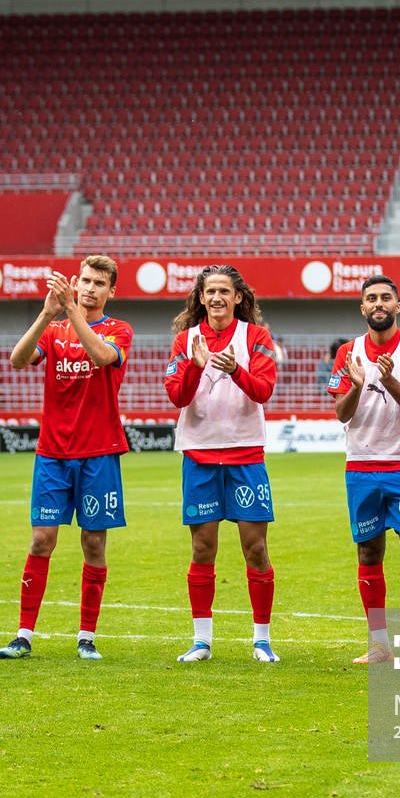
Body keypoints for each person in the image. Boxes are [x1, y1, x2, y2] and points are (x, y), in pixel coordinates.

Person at [0, 254, 132, 661]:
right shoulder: (53, 331)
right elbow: (18, 360)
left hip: (99, 453)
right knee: (42, 539)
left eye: (98, 283)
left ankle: (86, 636)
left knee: (93, 543)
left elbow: (102, 357)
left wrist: (71, 310)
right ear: (77, 281)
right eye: (85, 281)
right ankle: (23, 635)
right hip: (53, 453)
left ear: (111, 291)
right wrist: (44, 314)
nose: (90, 288)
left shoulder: (119, 330)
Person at [164, 265, 280, 662]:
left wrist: (237, 370)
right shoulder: (185, 340)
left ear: (237, 298)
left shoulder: (256, 337)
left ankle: (261, 640)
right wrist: (196, 366)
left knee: (255, 548)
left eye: (224, 291)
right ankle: (202, 641)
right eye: (209, 291)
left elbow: (264, 391)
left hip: (246, 453)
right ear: (200, 297)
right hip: (199, 455)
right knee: (202, 548)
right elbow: (176, 397)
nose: (216, 297)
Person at [328, 274, 400, 665]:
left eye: (386, 297)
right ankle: (379, 645)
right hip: (361, 467)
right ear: (362, 307)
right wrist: (356, 386)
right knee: (368, 553)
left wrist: (388, 380)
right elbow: (341, 412)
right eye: (371, 298)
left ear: (397, 305)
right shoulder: (347, 353)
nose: (378, 304)